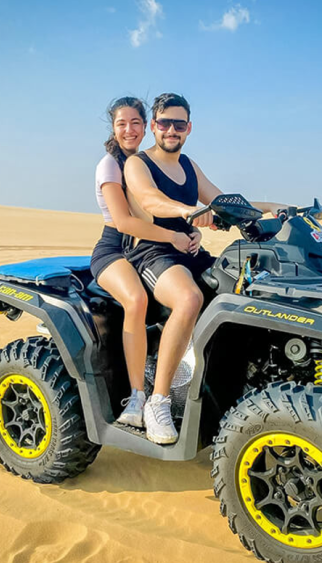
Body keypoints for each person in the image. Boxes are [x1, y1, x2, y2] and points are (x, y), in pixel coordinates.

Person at [124, 93, 286, 444]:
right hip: (153, 253)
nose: (171, 130)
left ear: (189, 128)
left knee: (242, 288)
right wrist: (186, 212)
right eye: (164, 123)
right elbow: (148, 199)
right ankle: (159, 400)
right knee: (188, 298)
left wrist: (276, 207)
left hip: (189, 251)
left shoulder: (188, 166)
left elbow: (223, 201)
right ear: (153, 126)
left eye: (178, 124)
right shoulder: (139, 163)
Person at [91, 96, 201, 429]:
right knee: (137, 299)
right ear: (113, 128)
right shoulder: (111, 165)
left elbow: (176, 206)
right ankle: (139, 396)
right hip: (116, 248)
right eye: (122, 124)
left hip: (148, 244)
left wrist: (192, 229)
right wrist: (174, 237)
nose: (129, 130)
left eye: (135, 123)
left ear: (145, 126)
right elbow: (125, 222)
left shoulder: (153, 161)